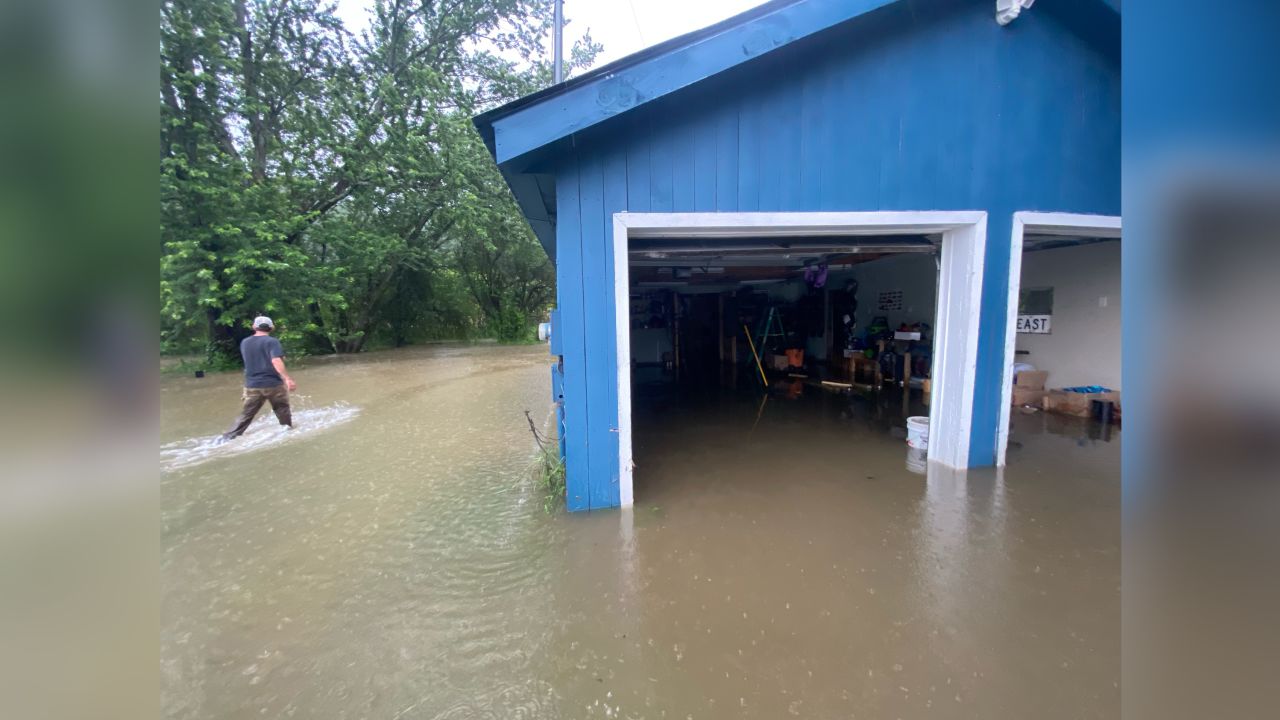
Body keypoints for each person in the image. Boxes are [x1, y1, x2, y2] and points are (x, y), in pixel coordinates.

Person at [220, 316, 297, 441]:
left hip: (252, 385)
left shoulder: (245, 342)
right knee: (282, 409)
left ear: (254, 327)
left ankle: (228, 438)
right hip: (273, 384)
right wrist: (287, 379)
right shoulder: (272, 342)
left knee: (246, 414)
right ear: (271, 327)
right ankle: (288, 433)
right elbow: (276, 360)